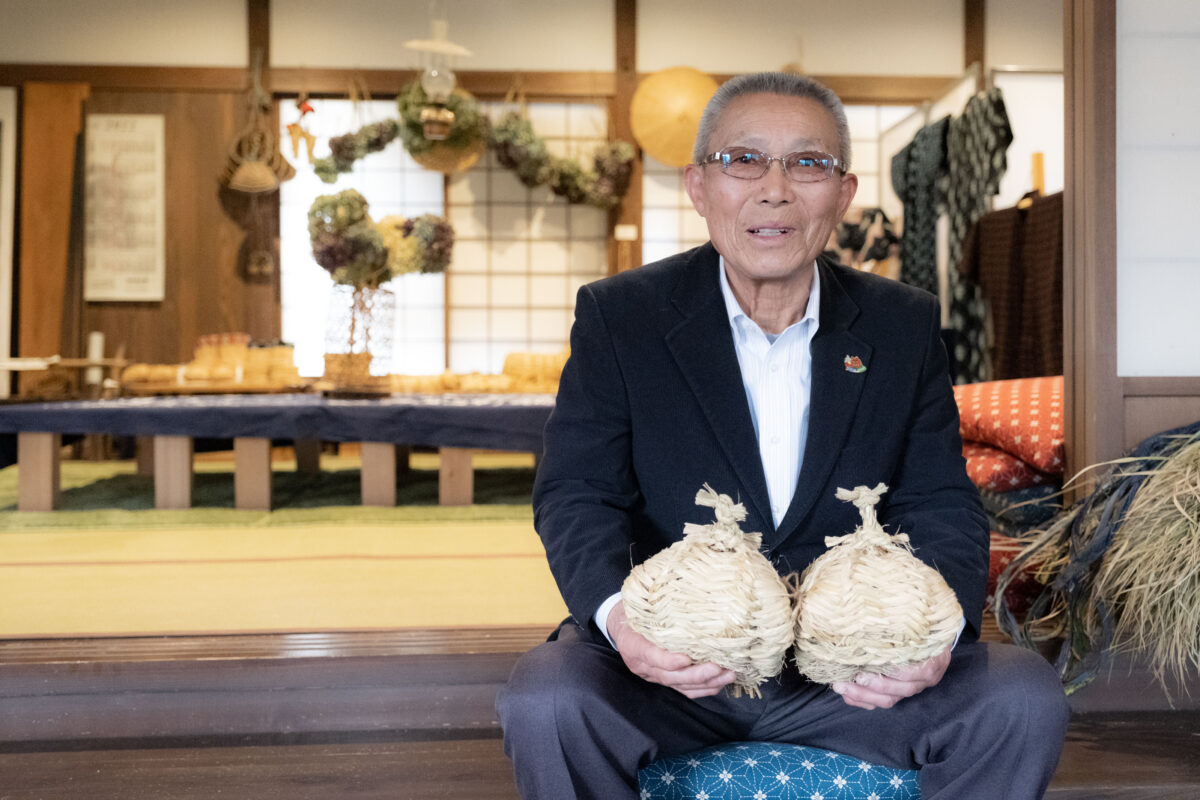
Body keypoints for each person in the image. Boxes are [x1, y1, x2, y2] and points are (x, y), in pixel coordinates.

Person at [496, 71, 1069, 800]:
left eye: (807, 163)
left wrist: (936, 636)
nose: (774, 189)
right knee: (547, 698)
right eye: (743, 160)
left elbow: (939, 500)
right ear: (699, 186)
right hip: (674, 670)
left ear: (843, 193)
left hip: (850, 674)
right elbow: (577, 494)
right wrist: (624, 629)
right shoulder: (622, 317)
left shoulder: (901, 323)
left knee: (1020, 698)